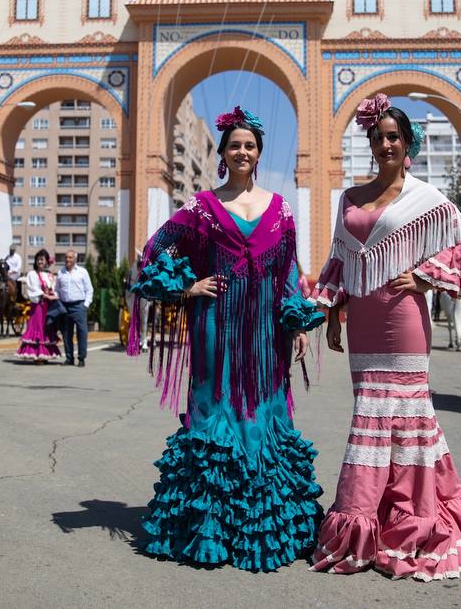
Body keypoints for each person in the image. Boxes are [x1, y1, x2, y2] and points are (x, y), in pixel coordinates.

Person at [311, 95, 461, 582]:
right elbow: (341, 260)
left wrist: (426, 278)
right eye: (378, 137)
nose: (385, 144)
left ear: (406, 143)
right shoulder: (349, 199)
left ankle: (414, 516)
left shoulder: (426, 198)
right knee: (369, 417)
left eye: (394, 136)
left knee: (408, 417)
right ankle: (368, 518)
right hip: (364, 325)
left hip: (404, 320)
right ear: (370, 144)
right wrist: (335, 316)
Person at [128, 105, 323, 571]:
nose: (242, 151)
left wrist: (295, 322)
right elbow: (153, 250)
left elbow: (289, 269)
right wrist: (186, 286)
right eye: (234, 145)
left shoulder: (281, 207)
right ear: (224, 153)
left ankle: (264, 524)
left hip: (266, 331)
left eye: (250, 145)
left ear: (258, 154)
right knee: (216, 414)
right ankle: (209, 528)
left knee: (265, 414)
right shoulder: (200, 206)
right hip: (215, 323)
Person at [16, 249, 60, 362]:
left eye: (42, 259)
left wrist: (54, 294)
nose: (40, 262)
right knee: (38, 327)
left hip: (48, 306)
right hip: (38, 306)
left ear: (46, 262)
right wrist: (46, 295)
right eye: (38, 259)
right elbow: (33, 290)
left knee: (47, 328)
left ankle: (45, 354)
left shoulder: (49, 275)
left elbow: (54, 288)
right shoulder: (32, 274)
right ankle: (37, 355)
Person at [56, 250, 93, 367]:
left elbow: (89, 290)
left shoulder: (82, 272)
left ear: (75, 259)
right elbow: (57, 289)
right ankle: (69, 358)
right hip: (65, 306)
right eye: (66, 257)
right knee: (67, 333)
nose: (68, 259)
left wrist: (85, 305)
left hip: (79, 306)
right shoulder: (60, 273)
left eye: (70, 257)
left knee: (82, 333)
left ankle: (81, 359)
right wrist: (58, 302)